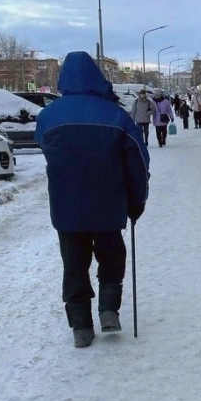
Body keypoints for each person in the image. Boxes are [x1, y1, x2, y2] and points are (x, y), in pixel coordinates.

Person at [34, 51, 150, 348]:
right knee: (112, 256)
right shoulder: (115, 115)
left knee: (74, 264)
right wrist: (137, 202)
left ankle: (81, 327)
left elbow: (46, 149)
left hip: (66, 207)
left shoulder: (49, 116)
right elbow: (137, 161)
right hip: (109, 204)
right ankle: (109, 309)